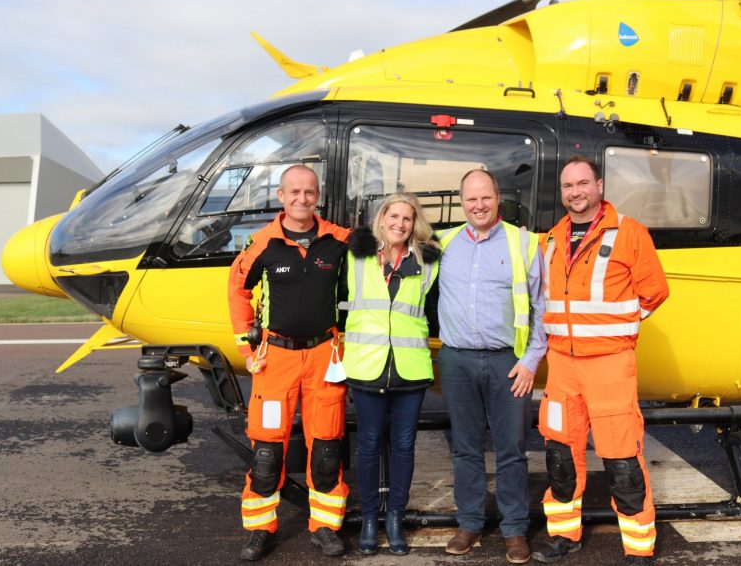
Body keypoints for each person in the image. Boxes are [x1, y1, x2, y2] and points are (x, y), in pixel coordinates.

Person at [532, 155, 669, 566]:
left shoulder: (630, 233)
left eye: (583, 183)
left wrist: (621, 327)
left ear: (599, 186)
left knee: (623, 459)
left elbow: (655, 292)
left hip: (610, 366)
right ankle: (563, 535)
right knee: (560, 455)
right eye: (568, 186)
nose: (576, 192)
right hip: (562, 367)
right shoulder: (551, 240)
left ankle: (638, 549)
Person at [227, 164, 352, 561]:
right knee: (266, 453)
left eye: (309, 192)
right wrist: (248, 350)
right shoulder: (261, 244)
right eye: (294, 192)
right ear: (280, 197)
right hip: (275, 360)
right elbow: (237, 292)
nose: (302, 199)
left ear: (319, 197)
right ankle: (260, 529)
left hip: (324, 355)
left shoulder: (340, 241)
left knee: (327, 450)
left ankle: (326, 527)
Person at [437, 169, 547, 564]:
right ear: (461, 201)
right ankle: (469, 523)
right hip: (456, 360)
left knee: (511, 450)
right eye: (470, 199)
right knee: (465, 448)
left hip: (508, 363)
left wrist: (531, 361)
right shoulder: (443, 242)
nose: (478, 206)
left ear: (497, 197)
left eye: (485, 198)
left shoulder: (524, 242)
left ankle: (514, 530)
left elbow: (542, 308)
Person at [341, 193, 441, 556]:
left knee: (403, 446)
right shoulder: (356, 254)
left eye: (408, 218)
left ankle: (395, 516)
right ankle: (370, 518)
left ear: (416, 224)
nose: (400, 223)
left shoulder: (428, 261)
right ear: (381, 218)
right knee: (367, 445)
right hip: (367, 366)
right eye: (394, 216)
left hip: (409, 368)